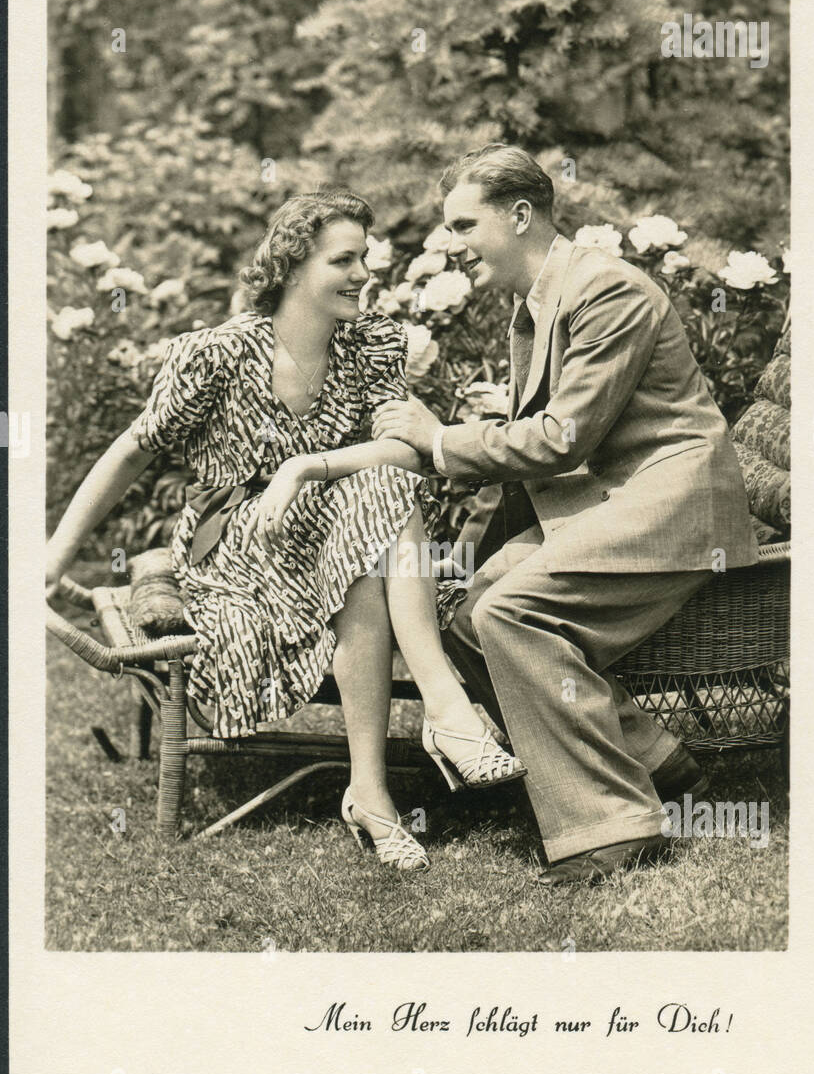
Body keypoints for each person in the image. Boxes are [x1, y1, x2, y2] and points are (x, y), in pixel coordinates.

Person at [45, 188, 525, 873]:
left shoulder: (370, 344)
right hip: (238, 549)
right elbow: (133, 450)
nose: (364, 274)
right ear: (293, 268)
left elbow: (407, 449)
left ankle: (374, 788)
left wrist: (306, 466)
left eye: (366, 258)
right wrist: (54, 553)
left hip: (337, 534)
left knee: (377, 497)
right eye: (344, 260)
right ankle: (445, 716)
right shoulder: (216, 353)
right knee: (372, 518)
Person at [372, 145, 759, 884]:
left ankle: (615, 825)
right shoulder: (538, 301)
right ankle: (655, 758)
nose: (451, 247)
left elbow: (561, 438)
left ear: (520, 216)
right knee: (466, 615)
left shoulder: (607, 288)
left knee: (510, 614)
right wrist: (469, 531)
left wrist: (440, 440)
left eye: (463, 225)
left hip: (674, 505)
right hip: (614, 498)